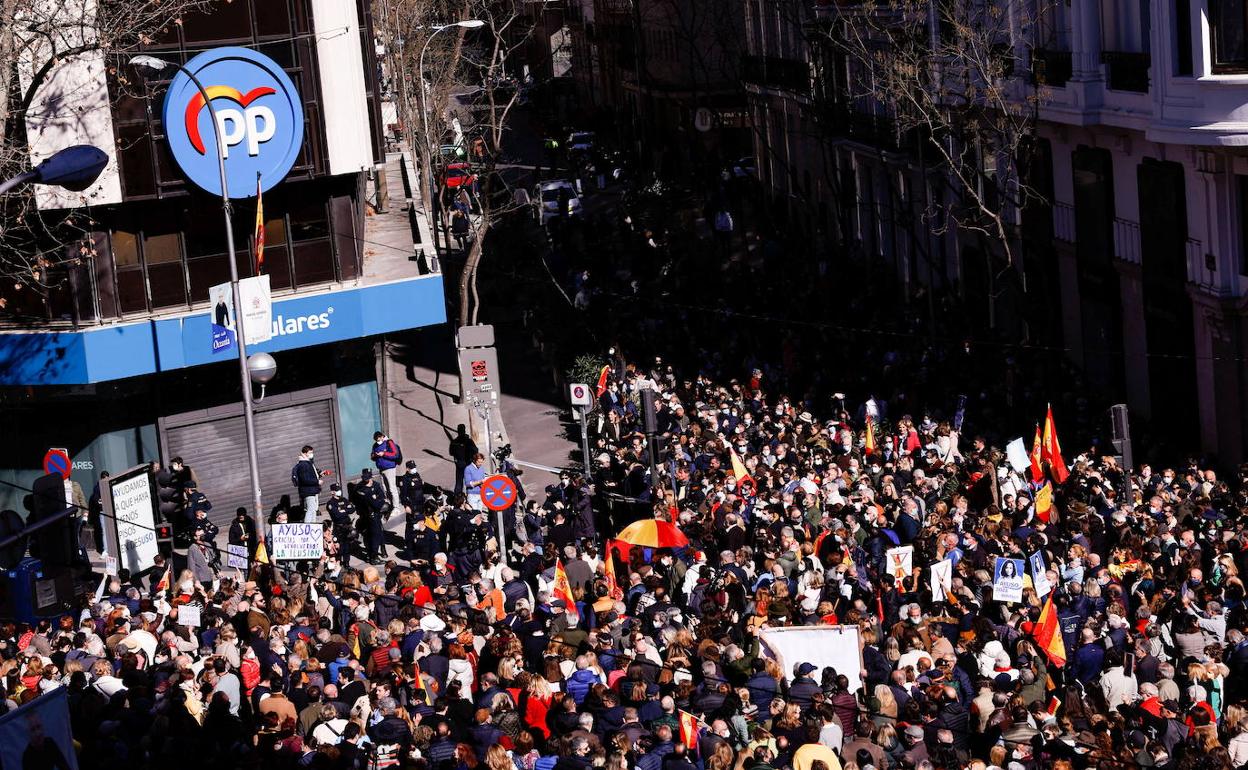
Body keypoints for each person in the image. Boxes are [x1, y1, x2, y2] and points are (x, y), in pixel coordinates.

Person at [371, 431, 404, 514]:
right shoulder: (375, 445)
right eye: (376, 440)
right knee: (385, 489)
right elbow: (372, 456)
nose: (378, 441)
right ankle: (391, 504)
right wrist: (375, 455)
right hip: (381, 469)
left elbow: (395, 454)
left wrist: (384, 454)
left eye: (379, 439)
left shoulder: (389, 442)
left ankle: (396, 507)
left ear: (382, 437)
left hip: (390, 469)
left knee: (392, 488)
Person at [291, 445, 324, 522]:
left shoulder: (308, 463)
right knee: (310, 510)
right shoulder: (303, 465)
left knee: (313, 510)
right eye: (310, 452)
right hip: (308, 491)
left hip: (311, 490)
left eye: (312, 452)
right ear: (305, 453)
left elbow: (309, 476)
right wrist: (317, 481)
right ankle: (308, 528)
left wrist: (319, 475)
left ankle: (313, 526)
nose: (312, 454)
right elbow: (305, 479)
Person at [449, 424, 479, 496]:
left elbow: (451, 452)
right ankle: (470, 496)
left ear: (458, 431)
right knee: (469, 481)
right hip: (468, 463)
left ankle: (457, 497)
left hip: (459, 464)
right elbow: (476, 450)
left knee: (459, 481)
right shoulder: (468, 441)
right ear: (464, 430)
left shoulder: (454, 441)